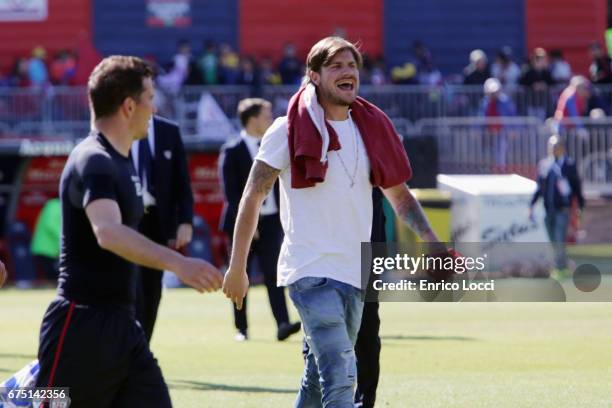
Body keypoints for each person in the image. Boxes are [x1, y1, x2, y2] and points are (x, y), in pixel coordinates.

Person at [222, 36, 447, 407]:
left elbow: (400, 196)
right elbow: (252, 195)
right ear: (314, 75)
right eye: (336, 66)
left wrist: (433, 242)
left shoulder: (372, 127)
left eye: (352, 66)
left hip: (355, 273)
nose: (348, 73)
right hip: (308, 271)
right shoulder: (286, 128)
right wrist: (237, 267)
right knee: (343, 372)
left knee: (317, 377)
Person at [35, 55, 223, 408]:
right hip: (80, 327)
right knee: (48, 402)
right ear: (128, 106)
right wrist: (179, 264)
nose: (154, 109)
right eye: (151, 99)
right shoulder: (93, 160)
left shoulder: (121, 161)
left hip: (124, 325)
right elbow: (108, 231)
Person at [219, 98, 301, 341]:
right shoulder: (232, 150)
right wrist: (246, 224)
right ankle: (241, 329)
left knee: (274, 274)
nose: (270, 119)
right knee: (238, 273)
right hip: (242, 224)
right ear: (252, 119)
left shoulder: (274, 144)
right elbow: (231, 193)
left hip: (270, 222)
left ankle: (283, 324)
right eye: (266, 115)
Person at [131, 115, 195, 343]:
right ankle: (130, 345)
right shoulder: (122, 125)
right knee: (132, 285)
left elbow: (182, 180)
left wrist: (186, 221)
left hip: (158, 221)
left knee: (152, 288)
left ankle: (142, 346)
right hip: (128, 220)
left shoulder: (169, 130)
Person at [529, 135, 584, 273]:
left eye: (556, 146)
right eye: (551, 146)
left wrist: (581, 206)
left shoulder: (569, 165)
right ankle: (564, 263)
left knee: (560, 237)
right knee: (553, 239)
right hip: (548, 209)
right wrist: (531, 205)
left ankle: (559, 268)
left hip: (563, 209)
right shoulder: (544, 165)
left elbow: (577, 187)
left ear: (562, 148)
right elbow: (539, 188)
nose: (553, 149)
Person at [30, 198, 61, 283]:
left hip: (51, 249)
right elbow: (50, 224)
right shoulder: (54, 205)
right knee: (52, 276)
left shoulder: (54, 205)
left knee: (54, 276)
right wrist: (66, 237)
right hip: (45, 249)